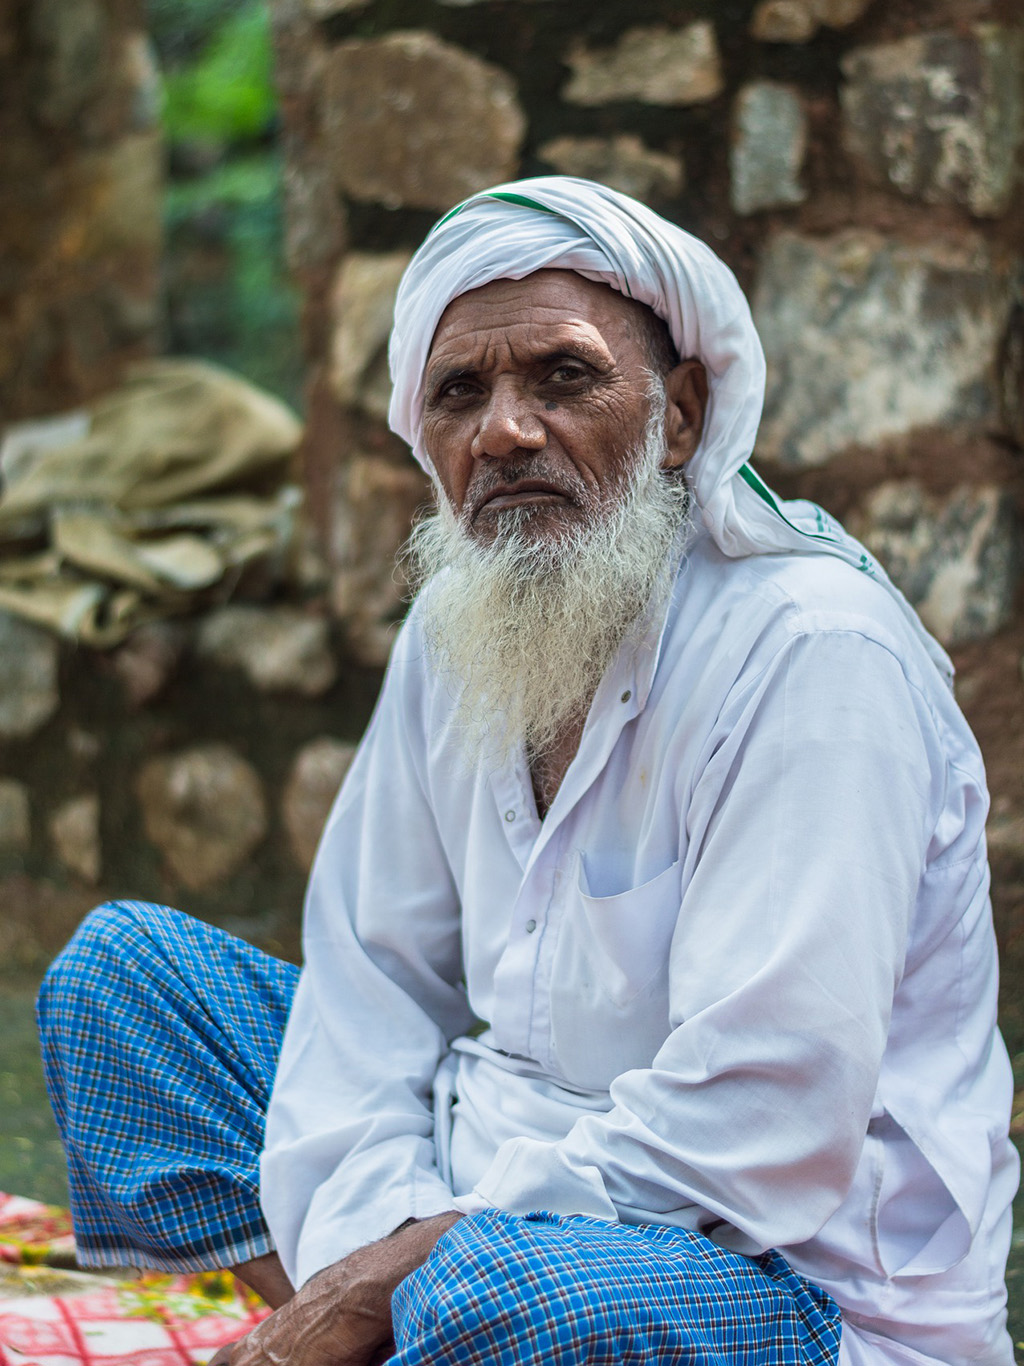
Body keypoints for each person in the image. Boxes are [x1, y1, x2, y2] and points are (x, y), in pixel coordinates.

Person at [38, 177, 1017, 1366]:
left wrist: (412, 1261)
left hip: (788, 1277)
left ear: (681, 415)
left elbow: (764, 1117)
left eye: (562, 376)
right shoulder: (455, 632)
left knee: (499, 1305)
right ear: (428, 439)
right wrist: (377, 1243)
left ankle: (398, 1328)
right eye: (460, 393)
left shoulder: (811, 652)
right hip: (479, 1187)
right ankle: (375, 1335)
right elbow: (373, 990)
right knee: (120, 982)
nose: (503, 429)